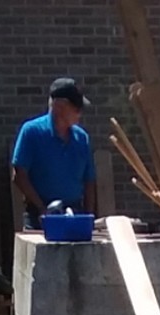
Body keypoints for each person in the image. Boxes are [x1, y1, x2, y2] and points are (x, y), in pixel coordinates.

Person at [11, 77, 96, 232]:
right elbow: (19, 175)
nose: (80, 114)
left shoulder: (81, 138)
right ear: (59, 106)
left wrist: (88, 217)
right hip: (39, 216)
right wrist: (42, 209)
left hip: (75, 213)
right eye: (76, 109)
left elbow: (89, 180)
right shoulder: (32, 132)